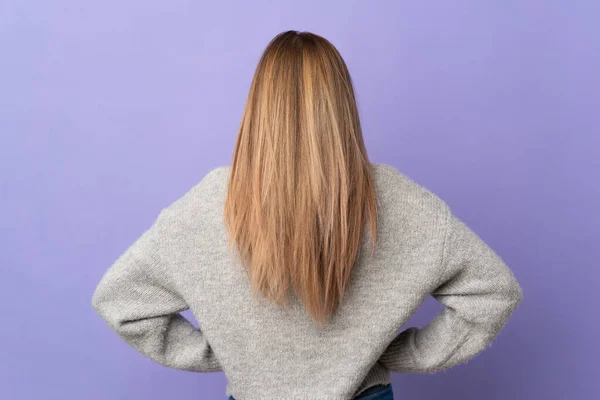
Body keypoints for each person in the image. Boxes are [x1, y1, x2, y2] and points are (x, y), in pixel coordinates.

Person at [91, 30, 523, 400]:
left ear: (257, 107)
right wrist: (393, 352)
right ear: (342, 105)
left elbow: (122, 303)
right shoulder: (399, 200)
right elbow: (494, 294)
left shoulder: (208, 203)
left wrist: (230, 354)